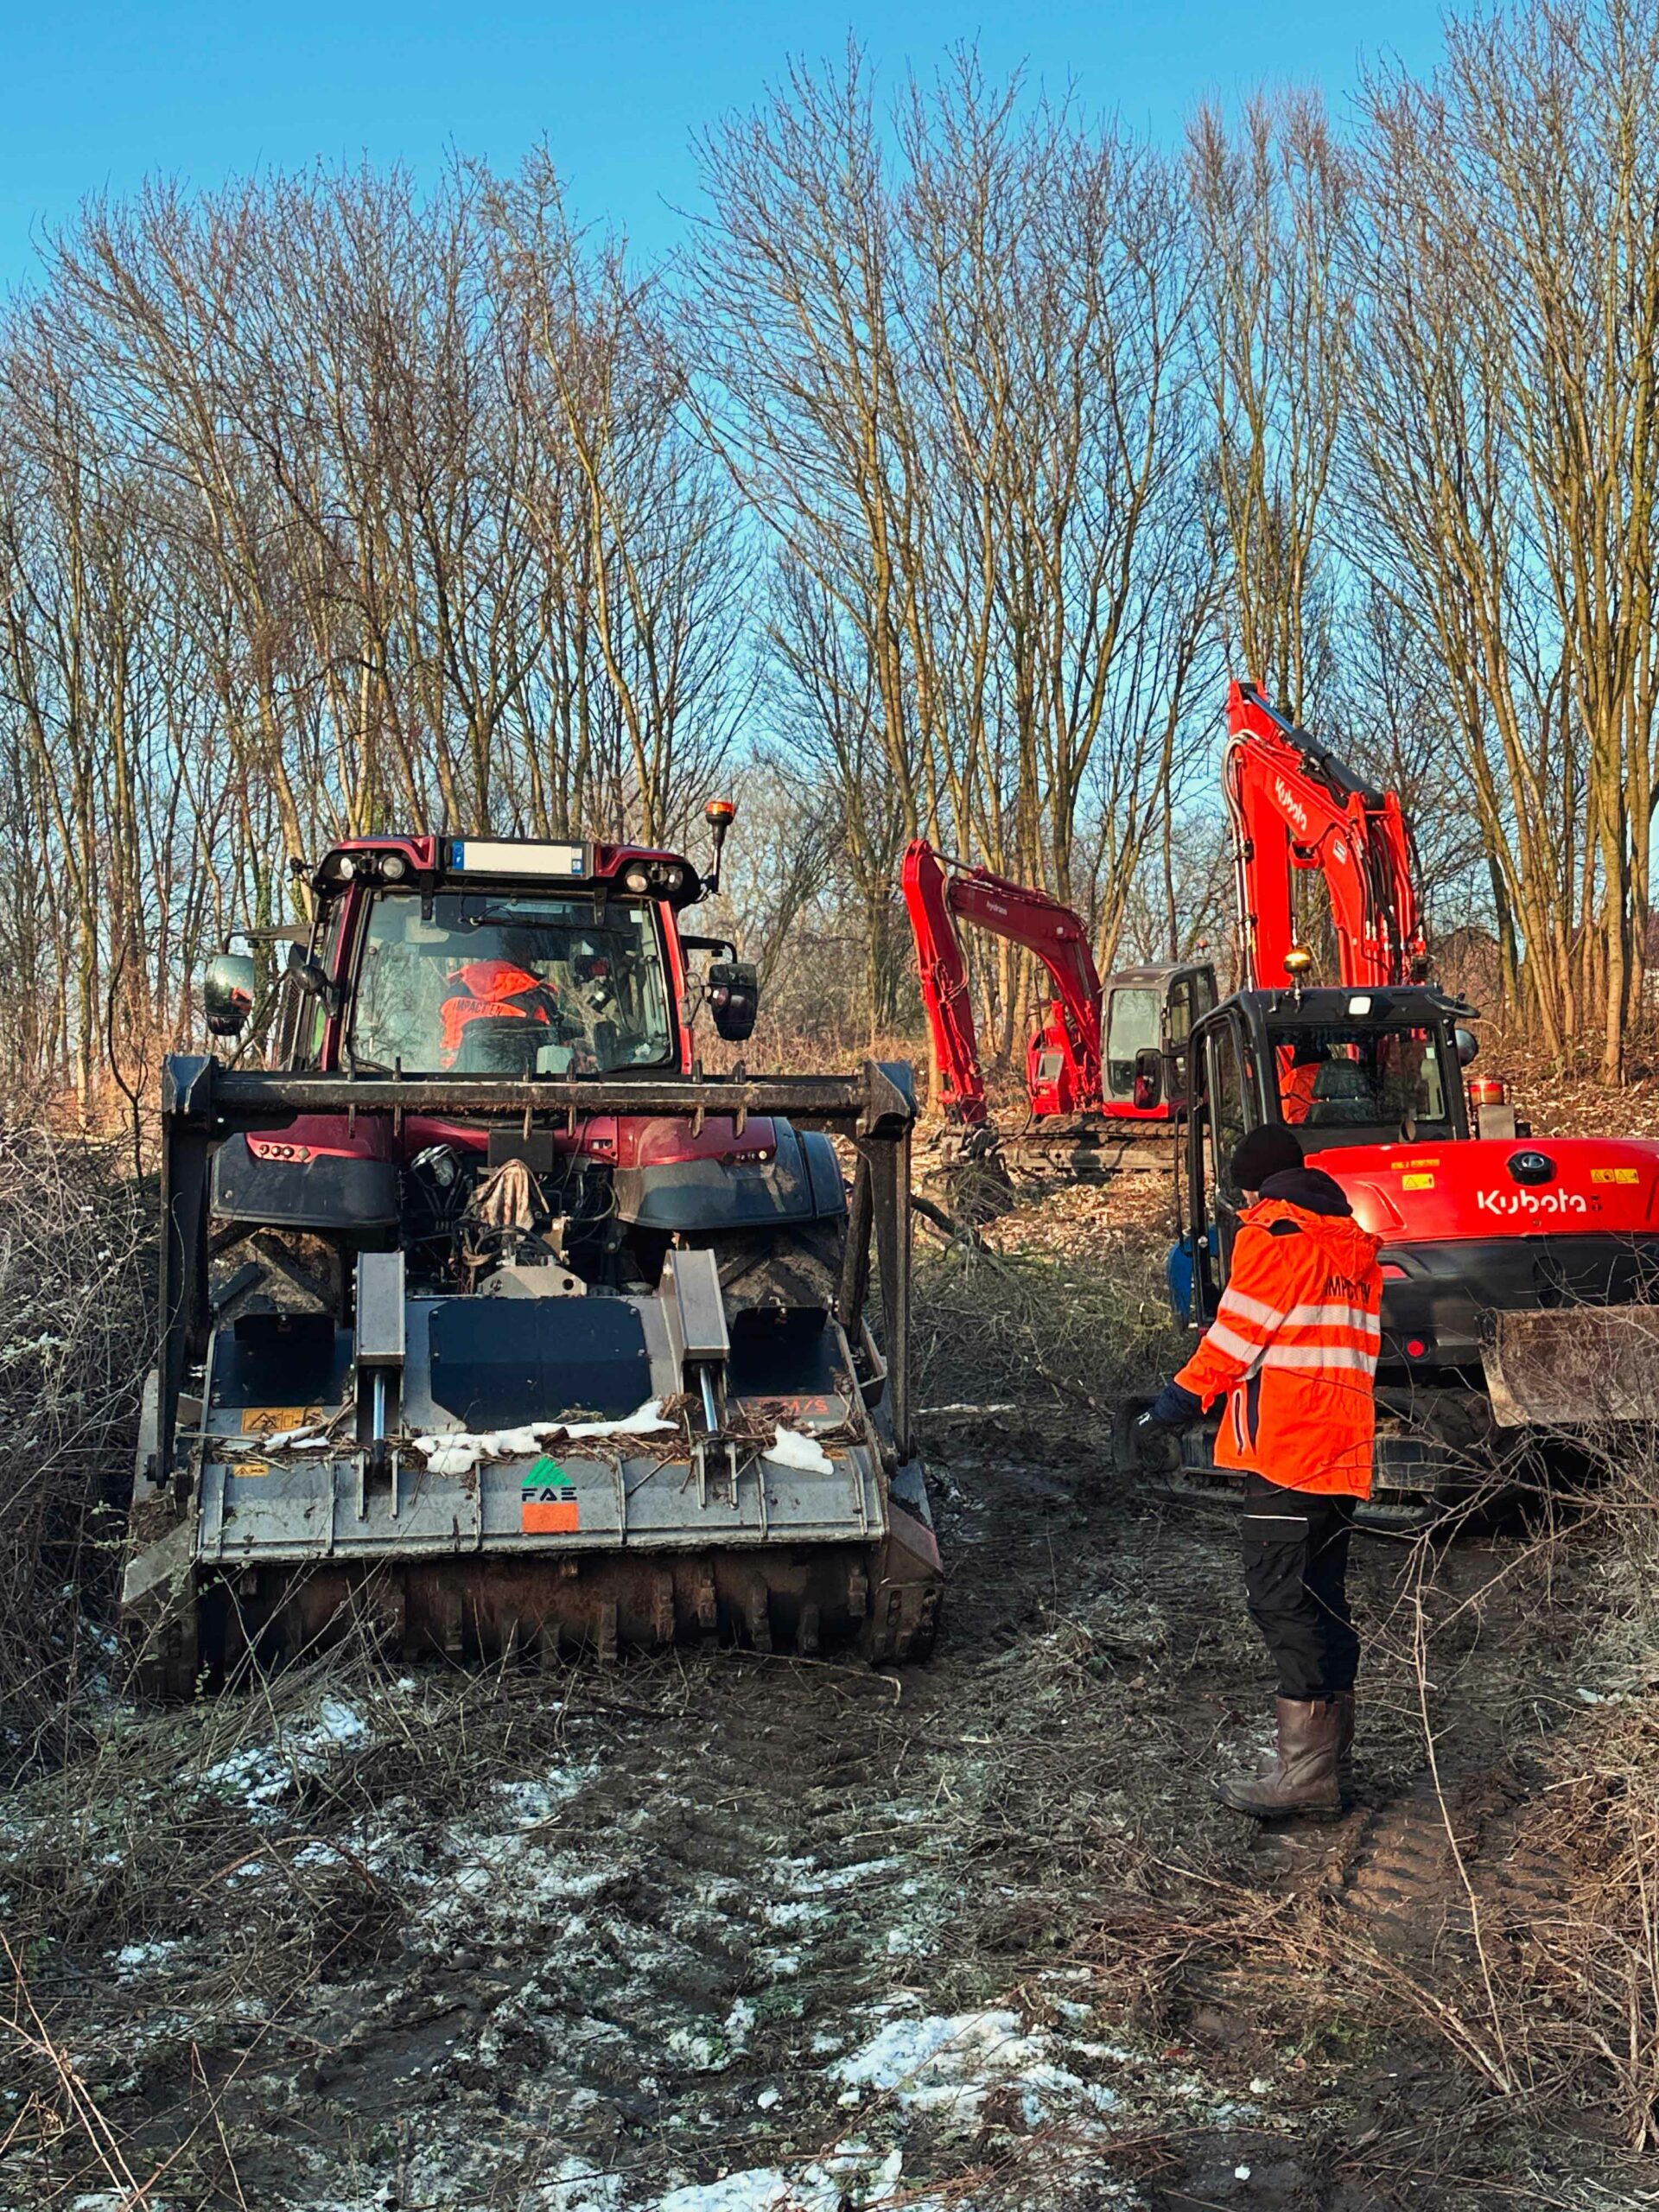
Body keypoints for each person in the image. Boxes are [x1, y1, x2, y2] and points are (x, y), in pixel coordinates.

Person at [1142, 1122, 1383, 1816]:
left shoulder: (1273, 1236)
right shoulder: (1351, 1248)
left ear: (1252, 1186)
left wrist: (1170, 1407)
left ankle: (1306, 1775)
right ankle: (1330, 1761)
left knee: (1280, 1598)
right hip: (1342, 1452)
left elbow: (1233, 1341)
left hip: (1289, 1449)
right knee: (1323, 1597)